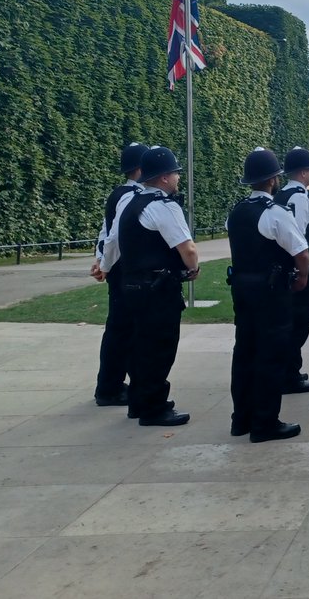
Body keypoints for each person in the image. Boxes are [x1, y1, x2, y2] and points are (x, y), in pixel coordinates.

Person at [103, 145, 199, 427]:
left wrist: (105, 266)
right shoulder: (164, 206)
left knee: (139, 346)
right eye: (175, 174)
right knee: (160, 348)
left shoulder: (130, 203)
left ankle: (139, 401)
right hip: (158, 288)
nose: (178, 179)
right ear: (165, 177)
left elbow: (112, 241)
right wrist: (192, 268)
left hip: (131, 285)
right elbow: (187, 248)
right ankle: (154, 407)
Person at [227, 148, 309, 443]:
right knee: (271, 355)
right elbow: (301, 252)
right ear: (274, 179)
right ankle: (265, 422)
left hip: (242, 289)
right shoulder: (275, 213)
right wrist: (301, 279)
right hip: (271, 292)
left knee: (244, 353)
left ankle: (242, 418)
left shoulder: (237, 212)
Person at [89, 141, 148, 408]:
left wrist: (101, 261)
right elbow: (115, 236)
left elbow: (105, 232)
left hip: (118, 269)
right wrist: (106, 265)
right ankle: (110, 388)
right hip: (125, 270)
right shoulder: (131, 196)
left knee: (120, 329)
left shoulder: (119, 194)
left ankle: (112, 384)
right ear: (140, 168)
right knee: (123, 330)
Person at [275, 147, 309, 393]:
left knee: (290, 318)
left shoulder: (281, 195)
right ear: (303, 172)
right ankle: (289, 374)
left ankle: (290, 368)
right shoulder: (299, 196)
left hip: (286, 265)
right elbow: (299, 235)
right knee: (299, 319)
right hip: (299, 263)